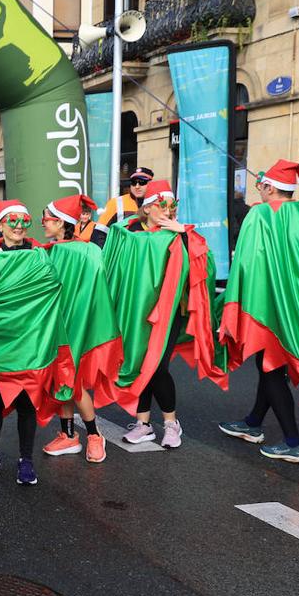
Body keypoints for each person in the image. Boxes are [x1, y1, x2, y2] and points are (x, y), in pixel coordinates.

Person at [106, 180, 227, 448]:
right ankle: (143, 424)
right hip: (134, 311)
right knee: (139, 364)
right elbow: (112, 267)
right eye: (164, 205)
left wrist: (184, 232)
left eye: (173, 206)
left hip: (168, 313)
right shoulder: (126, 232)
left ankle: (171, 424)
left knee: (157, 366)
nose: (170, 211)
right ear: (147, 208)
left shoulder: (178, 234)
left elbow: (203, 262)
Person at [0, 200, 70, 485]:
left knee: (27, 403)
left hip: (30, 344)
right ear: (1, 224)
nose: (18, 226)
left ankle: (26, 459)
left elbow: (51, 291)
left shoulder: (40, 257)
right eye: (12, 220)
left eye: (24, 221)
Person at [218, 161, 299, 462]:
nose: (259, 191)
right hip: (293, 307)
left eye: (260, 186)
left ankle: (293, 442)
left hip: (266, 307)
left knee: (271, 369)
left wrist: (235, 301)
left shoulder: (259, 214)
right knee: (269, 366)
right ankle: (254, 423)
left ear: (270, 187)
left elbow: (246, 260)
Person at [39, 194, 120, 464]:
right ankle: (68, 435)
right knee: (60, 380)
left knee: (71, 381)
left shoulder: (84, 251)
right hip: (54, 324)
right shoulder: (50, 250)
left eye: (47, 219)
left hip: (75, 323)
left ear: (62, 223)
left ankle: (95, 435)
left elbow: (97, 284)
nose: (43, 223)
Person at [96, 167, 152, 235]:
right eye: (134, 182)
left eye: (142, 182)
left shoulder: (157, 203)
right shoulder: (115, 203)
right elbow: (99, 232)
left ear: (151, 183)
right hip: (121, 245)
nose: (137, 186)